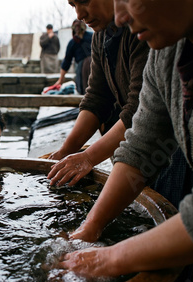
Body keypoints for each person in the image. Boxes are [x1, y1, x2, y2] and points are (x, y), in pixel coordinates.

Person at [59, 0, 193, 282]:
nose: (121, 17)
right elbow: (141, 146)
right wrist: (90, 230)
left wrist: (109, 259)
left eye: (132, 0)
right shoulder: (167, 51)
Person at [47, 0, 149, 189]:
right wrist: (64, 151)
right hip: (137, 141)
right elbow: (96, 98)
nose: (79, 14)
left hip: (164, 150)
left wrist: (88, 157)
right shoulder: (100, 37)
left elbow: (140, 110)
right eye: (73, 5)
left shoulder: (144, 30)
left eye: (84, 1)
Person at [53, 20, 93, 95]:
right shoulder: (92, 36)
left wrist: (60, 80)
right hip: (96, 65)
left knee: (86, 92)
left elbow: (66, 62)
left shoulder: (73, 42)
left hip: (84, 68)